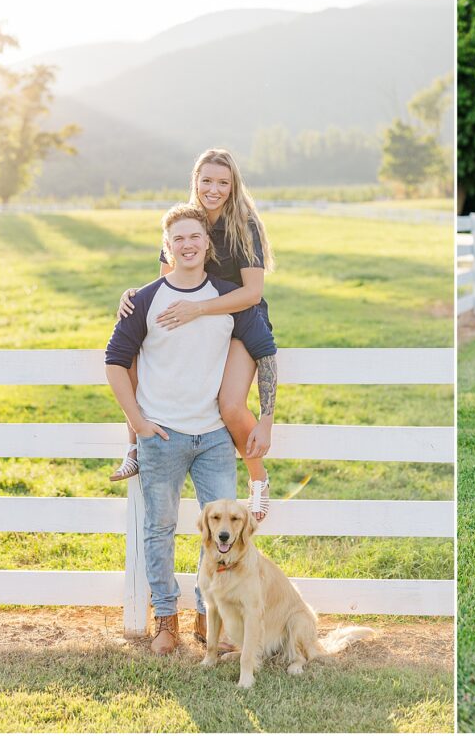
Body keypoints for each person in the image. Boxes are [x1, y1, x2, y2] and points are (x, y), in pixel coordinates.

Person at [105, 202, 278, 655]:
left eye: (194, 237)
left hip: (215, 439)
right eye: (177, 238)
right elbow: (115, 363)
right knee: (158, 529)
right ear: (168, 246)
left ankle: (210, 621)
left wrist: (265, 415)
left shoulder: (226, 299)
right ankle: (166, 620)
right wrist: (139, 422)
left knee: (223, 534)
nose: (187, 245)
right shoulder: (143, 299)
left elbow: (265, 352)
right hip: (161, 436)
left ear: (207, 244)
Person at [110, 148, 277, 522]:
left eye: (223, 182)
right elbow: (164, 280)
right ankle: (135, 445)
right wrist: (134, 295)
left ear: (233, 186)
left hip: (238, 319)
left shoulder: (244, 224)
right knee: (135, 347)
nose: (213, 189)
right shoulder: (186, 222)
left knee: (231, 405)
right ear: (195, 182)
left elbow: (252, 293)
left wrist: (199, 307)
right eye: (206, 181)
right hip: (192, 316)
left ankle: (258, 478)